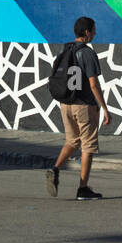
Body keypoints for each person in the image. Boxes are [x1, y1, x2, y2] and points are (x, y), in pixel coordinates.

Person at [46, 16, 110, 200]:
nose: (95, 33)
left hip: (65, 104)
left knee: (72, 141)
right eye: (94, 30)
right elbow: (93, 85)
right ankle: (83, 188)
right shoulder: (88, 53)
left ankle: (55, 168)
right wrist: (104, 108)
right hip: (84, 106)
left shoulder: (64, 49)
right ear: (87, 32)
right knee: (88, 146)